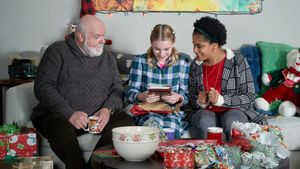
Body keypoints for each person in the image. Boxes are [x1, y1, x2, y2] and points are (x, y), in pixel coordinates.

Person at [31, 15, 133, 169]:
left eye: (103, 36)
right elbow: (43, 87)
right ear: (80, 36)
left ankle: (94, 166)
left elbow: (117, 89)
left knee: (126, 122)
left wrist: (107, 110)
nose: (103, 41)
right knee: (62, 132)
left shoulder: (107, 58)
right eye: (97, 36)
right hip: (60, 115)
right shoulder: (57, 51)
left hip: (95, 120)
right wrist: (69, 113)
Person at [188, 16, 265, 141]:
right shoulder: (195, 65)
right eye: (193, 45)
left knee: (232, 121)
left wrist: (221, 100)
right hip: (205, 112)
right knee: (204, 122)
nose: (194, 50)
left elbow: (249, 96)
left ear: (215, 45)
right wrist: (199, 102)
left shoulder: (237, 60)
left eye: (199, 46)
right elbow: (191, 98)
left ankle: (235, 157)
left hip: (234, 110)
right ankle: (209, 157)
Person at [126, 24, 191, 138]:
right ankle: (150, 154)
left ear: (173, 43)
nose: (161, 54)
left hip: (172, 112)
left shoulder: (183, 62)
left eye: (166, 49)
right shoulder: (140, 61)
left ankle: (167, 154)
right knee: (152, 126)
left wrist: (178, 98)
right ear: (151, 44)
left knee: (171, 128)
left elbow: (186, 96)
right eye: (156, 49)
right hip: (148, 111)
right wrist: (142, 96)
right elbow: (129, 95)